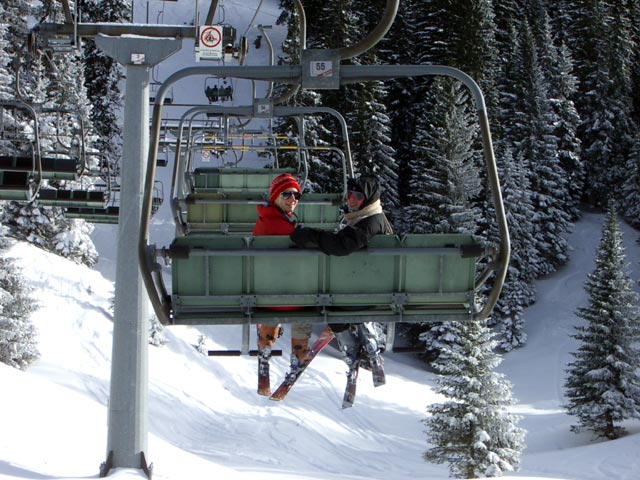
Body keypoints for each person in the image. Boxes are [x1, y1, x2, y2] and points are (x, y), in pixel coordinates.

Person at [289, 174, 393, 374]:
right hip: (369, 286)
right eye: (349, 194)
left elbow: (341, 245)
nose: (351, 200)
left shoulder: (370, 222)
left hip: (368, 291)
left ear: (369, 199)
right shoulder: (369, 218)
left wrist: (311, 235)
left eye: (358, 197)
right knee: (335, 309)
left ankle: (355, 350)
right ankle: (359, 349)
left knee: (332, 308)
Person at [252, 172, 312, 395]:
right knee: (304, 309)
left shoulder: (264, 221)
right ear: (275, 196)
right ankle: (299, 353)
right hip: (297, 300)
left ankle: (266, 344)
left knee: (273, 298)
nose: (293, 199)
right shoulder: (286, 228)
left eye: (297, 195)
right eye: (286, 194)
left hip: (266, 300)